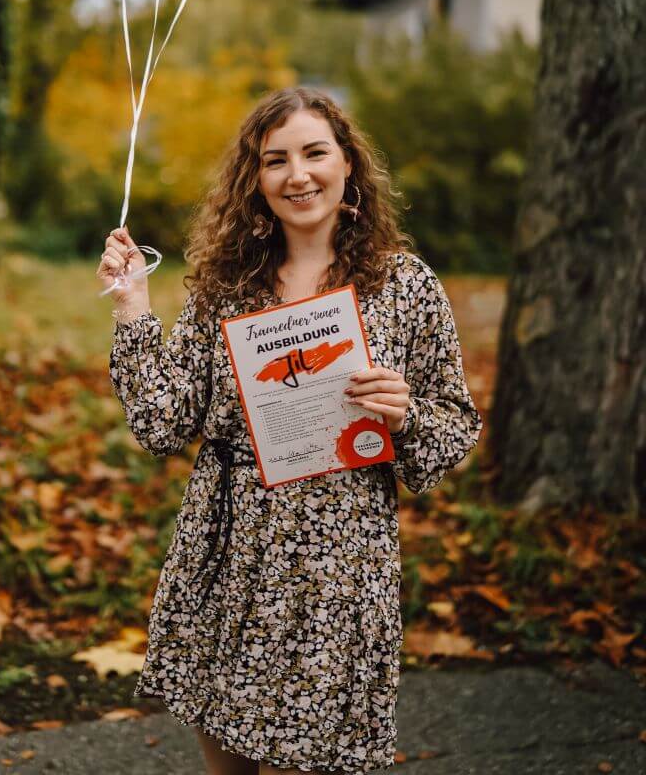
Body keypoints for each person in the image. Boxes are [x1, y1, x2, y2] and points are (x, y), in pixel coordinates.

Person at [98, 86, 482, 775]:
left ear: (349, 167)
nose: (297, 174)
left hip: (336, 561)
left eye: (314, 153)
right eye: (276, 160)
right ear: (257, 180)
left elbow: (454, 428)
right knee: (230, 764)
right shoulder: (226, 287)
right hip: (227, 551)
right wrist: (131, 310)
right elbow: (163, 422)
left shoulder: (405, 286)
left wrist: (406, 414)